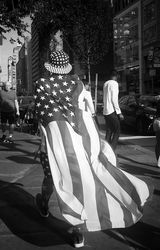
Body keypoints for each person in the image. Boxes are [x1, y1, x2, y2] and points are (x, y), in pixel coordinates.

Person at [34, 50, 152, 248]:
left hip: (54, 143)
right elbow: (87, 114)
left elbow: (42, 117)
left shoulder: (42, 85)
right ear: (66, 67)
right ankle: (77, 231)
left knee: (53, 177)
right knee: (81, 180)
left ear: (50, 67)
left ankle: (44, 204)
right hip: (81, 142)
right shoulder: (78, 85)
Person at [103, 70, 124, 151]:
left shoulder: (106, 83)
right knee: (117, 131)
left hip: (105, 111)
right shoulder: (114, 83)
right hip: (112, 111)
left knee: (109, 131)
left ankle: (105, 149)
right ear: (117, 76)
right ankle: (111, 150)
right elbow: (114, 99)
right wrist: (119, 113)